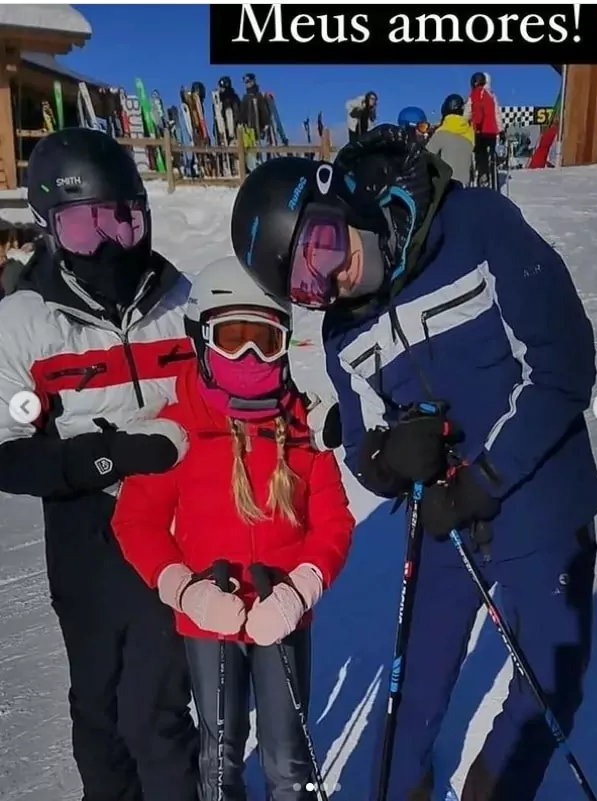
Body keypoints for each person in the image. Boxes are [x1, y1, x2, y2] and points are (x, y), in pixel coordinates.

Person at [228, 125, 597, 800]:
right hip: (440, 518)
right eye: (306, 285)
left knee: (550, 677)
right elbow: (361, 446)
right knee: (412, 695)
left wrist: (483, 479)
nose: (330, 278)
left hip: (538, 495)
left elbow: (561, 363)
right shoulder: (343, 328)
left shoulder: (471, 223)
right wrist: (387, 457)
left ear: (341, 202)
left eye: (322, 245)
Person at [0, 128, 199, 801]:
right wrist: (103, 454)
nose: (109, 242)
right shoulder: (24, 320)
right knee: (98, 698)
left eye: (123, 218)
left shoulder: (179, 301)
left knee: (158, 705)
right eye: (84, 227)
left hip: (170, 521)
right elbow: (6, 451)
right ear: (50, 229)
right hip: (85, 525)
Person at [111, 254, 355, 801]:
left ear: (285, 346)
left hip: (280, 609)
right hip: (210, 615)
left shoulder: (302, 431)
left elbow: (334, 522)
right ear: (202, 340)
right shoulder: (176, 432)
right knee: (219, 752)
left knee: (287, 755)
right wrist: (186, 590)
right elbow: (136, 520)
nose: (249, 355)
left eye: (264, 341)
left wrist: (299, 592)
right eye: (232, 338)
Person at [426, 93, 475, 186]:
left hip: (445, 190)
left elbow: (425, 158)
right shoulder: (469, 135)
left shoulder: (440, 134)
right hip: (464, 189)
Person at [465, 72, 503, 188]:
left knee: (480, 154)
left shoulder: (475, 93)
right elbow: (497, 113)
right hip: (492, 131)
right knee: (490, 153)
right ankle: (493, 173)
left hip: (480, 130)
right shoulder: (491, 94)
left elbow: (469, 112)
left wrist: (466, 122)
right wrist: (501, 130)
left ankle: (483, 175)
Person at [240, 72, 272, 142]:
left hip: (258, 129)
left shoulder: (259, 96)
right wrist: (242, 124)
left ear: (253, 82)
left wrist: (265, 126)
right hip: (248, 131)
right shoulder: (245, 98)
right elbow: (242, 113)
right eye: (245, 82)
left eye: (248, 81)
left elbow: (264, 112)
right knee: (249, 151)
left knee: (258, 148)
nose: (247, 84)